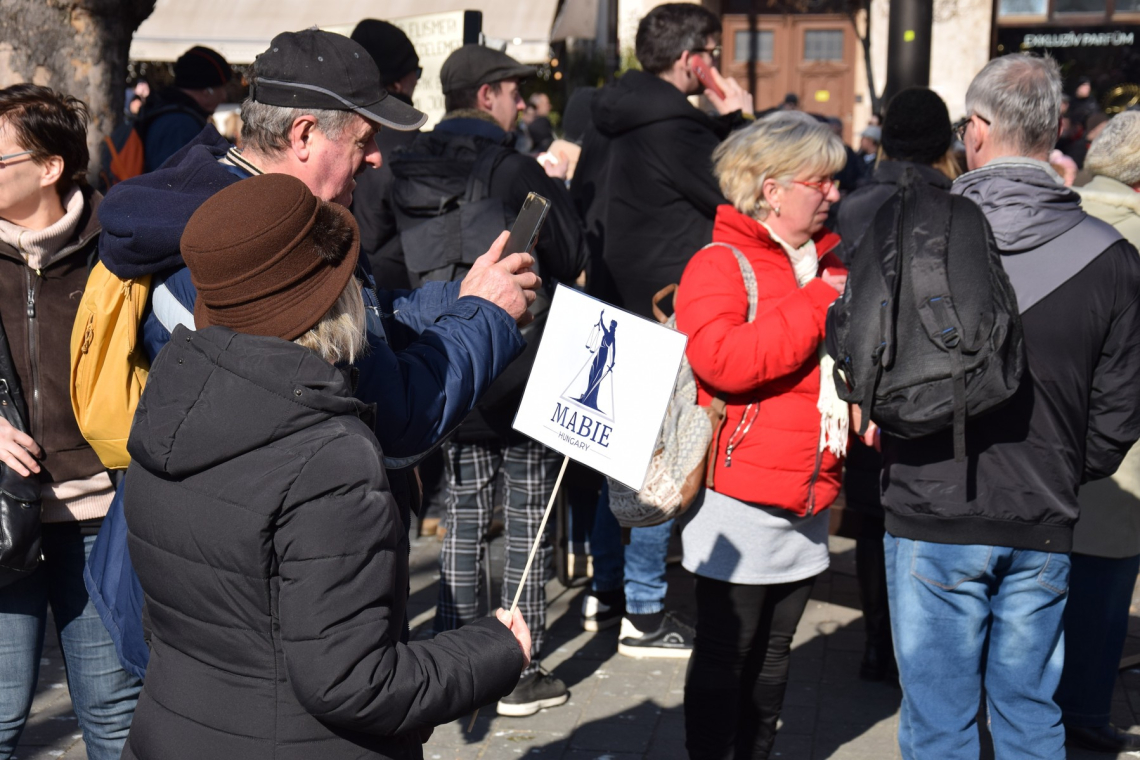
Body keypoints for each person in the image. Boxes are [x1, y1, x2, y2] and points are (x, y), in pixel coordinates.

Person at [88, 28, 539, 682]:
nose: (379, 159)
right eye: (364, 140)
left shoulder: (232, 210)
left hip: (201, 597)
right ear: (302, 135)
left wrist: (460, 298)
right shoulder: (261, 245)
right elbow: (397, 413)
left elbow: (368, 331)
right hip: (242, 624)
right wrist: (488, 317)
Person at [121, 173, 530, 760]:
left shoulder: (171, 402)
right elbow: (356, 683)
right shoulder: (329, 456)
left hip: (173, 731)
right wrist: (495, 651)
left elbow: (177, 623)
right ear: (338, 302)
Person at [881, 53, 1140, 759]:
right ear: (1055, 129)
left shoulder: (911, 231)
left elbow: (867, 371)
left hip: (932, 504)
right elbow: (1120, 410)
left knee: (939, 723)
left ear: (978, 130)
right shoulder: (1112, 257)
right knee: (1030, 715)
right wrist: (1062, 467)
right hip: (1043, 514)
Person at [384, 43, 587, 717]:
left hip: (440, 354)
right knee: (528, 511)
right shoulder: (514, 168)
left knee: (463, 507)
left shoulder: (399, 164)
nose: (520, 103)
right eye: (511, 91)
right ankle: (519, 668)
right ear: (485, 96)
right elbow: (571, 248)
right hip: (518, 358)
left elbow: (377, 260)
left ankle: (451, 646)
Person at [572, 2, 753, 658]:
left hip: (614, 300)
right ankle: (645, 613)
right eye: (713, 50)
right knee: (661, 459)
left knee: (616, 457)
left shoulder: (608, 117)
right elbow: (747, 198)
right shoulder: (679, 127)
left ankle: (607, 591)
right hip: (666, 306)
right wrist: (735, 117)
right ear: (692, 59)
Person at [674, 111, 847, 759]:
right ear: (771, 189)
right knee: (727, 655)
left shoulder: (833, 265)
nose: (834, 193)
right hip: (739, 496)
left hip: (809, 491)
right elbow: (723, 360)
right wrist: (820, 301)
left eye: (836, 182)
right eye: (820, 181)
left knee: (775, 656)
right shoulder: (721, 262)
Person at [0, 85, 142, 760]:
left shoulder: (119, 245)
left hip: (100, 517)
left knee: (113, 717)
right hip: (2, 516)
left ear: (50, 167)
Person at [829, 86, 959, 684]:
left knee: (871, 517)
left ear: (884, 139)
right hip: (939, 385)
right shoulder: (960, 205)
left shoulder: (855, 207)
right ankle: (918, 651)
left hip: (870, 388)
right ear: (944, 142)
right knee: (923, 519)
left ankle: (875, 644)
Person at [1056, 110, 1140, 754]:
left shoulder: (1059, 213)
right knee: (1105, 584)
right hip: (1120, 445)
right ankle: (1082, 707)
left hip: (1044, 436)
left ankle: (1034, 703)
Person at [350, 18, 423, 289]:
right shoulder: (413, 143)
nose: (374, 156)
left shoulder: (336, 133)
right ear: (398, 81)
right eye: (417, 70)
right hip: (396, 294)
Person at [137, 46, 233, 171]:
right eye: (222, 88)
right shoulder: (179, 125)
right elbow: (174, 181)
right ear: (207, 91)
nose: (224, 97)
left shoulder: (172, 115)